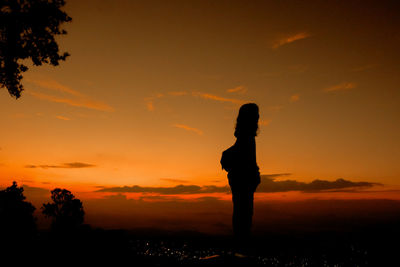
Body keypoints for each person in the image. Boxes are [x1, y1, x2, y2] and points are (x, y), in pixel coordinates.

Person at [221, 103, 261, 254]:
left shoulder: (247, 137)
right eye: (256, 116)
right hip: (243, 182)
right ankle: (241, 249)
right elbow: (243, 156)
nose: (258, 119)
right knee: (243, 215)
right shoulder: (247, 137)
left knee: (241, 215)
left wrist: (225, 155)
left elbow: (244, 157)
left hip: (243, 182)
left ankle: (241, 249)